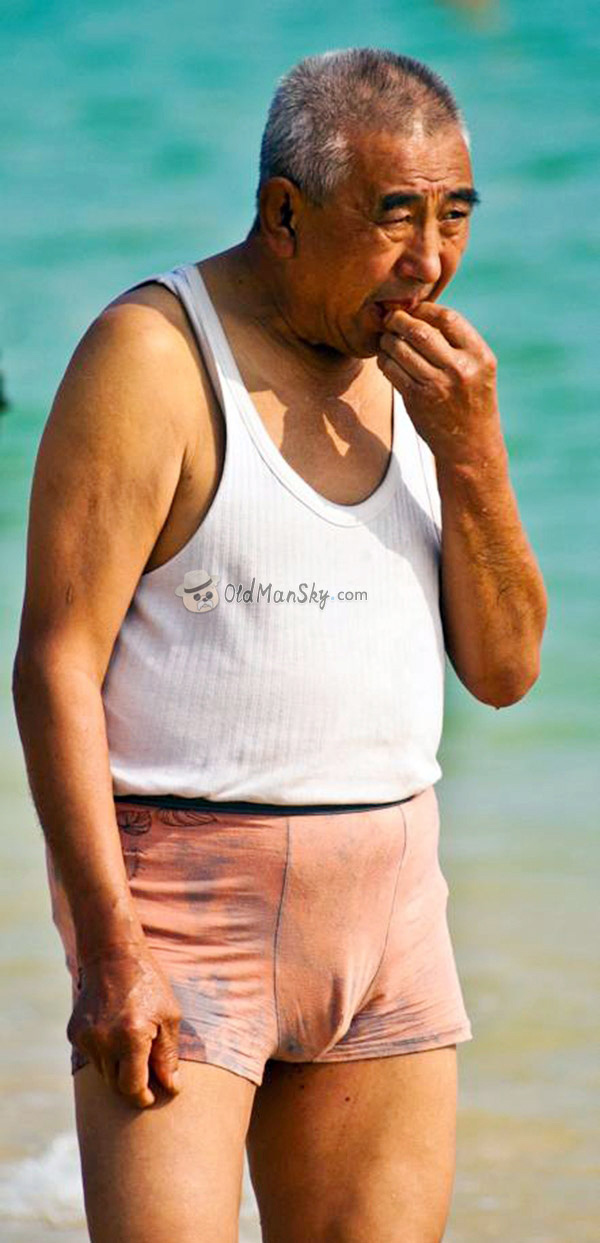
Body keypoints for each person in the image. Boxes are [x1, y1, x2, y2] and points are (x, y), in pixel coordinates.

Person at [13, 47, 547, 1243]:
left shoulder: (426, 381)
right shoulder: (151, 358)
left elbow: (507, 672)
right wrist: (108, 949)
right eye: (393, 217)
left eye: (455, 215)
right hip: (183, 917)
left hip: (392, 914)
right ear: (284, 214)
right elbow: (55, 661)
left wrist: (472, 452)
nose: (431, 262)